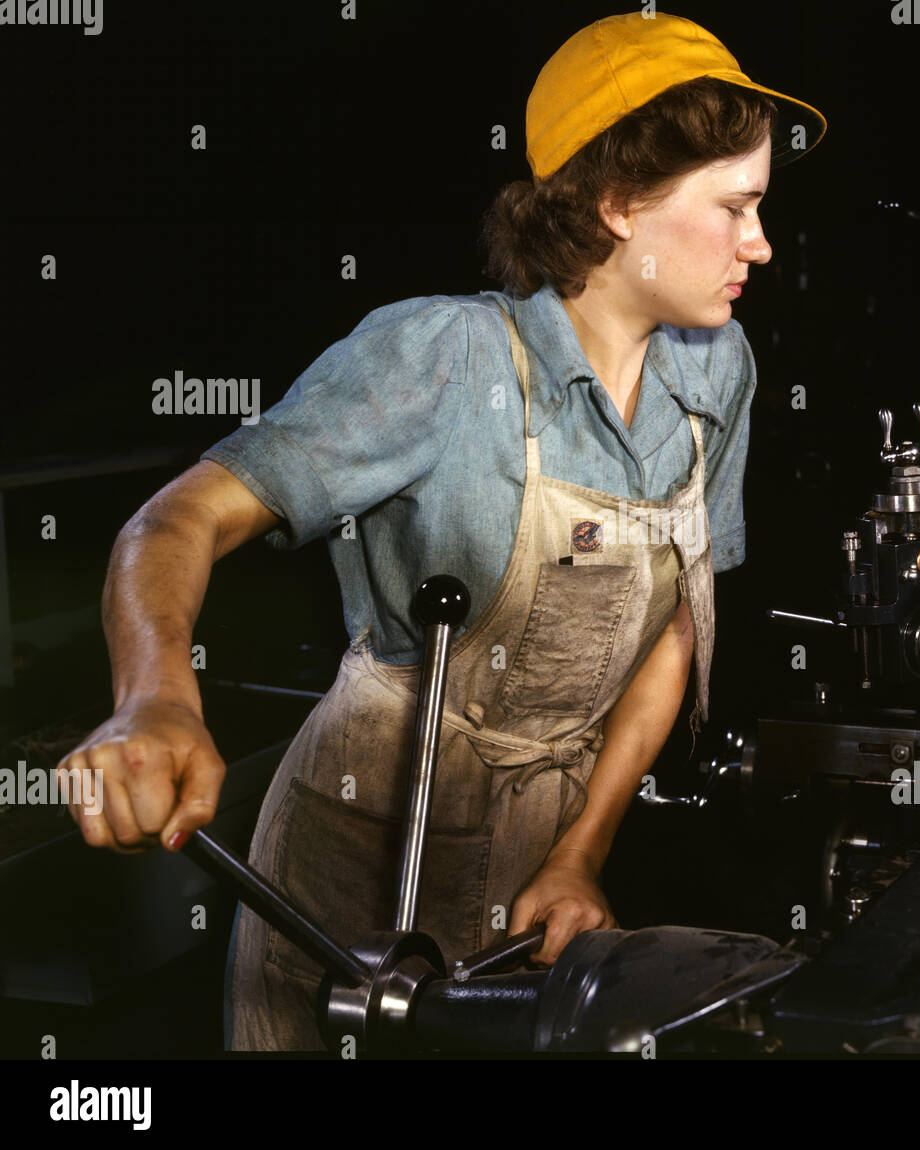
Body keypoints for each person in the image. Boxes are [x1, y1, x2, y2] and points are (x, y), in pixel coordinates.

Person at [58, 11, 825, 1051]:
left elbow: (677, 624)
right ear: (614, 205)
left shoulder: (712, 366)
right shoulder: (443, 358)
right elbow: (175, 519)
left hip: (542, 850)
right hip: (361, 849)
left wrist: (581, 852)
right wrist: (154, 700)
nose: (760, 244)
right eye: (735, 208)